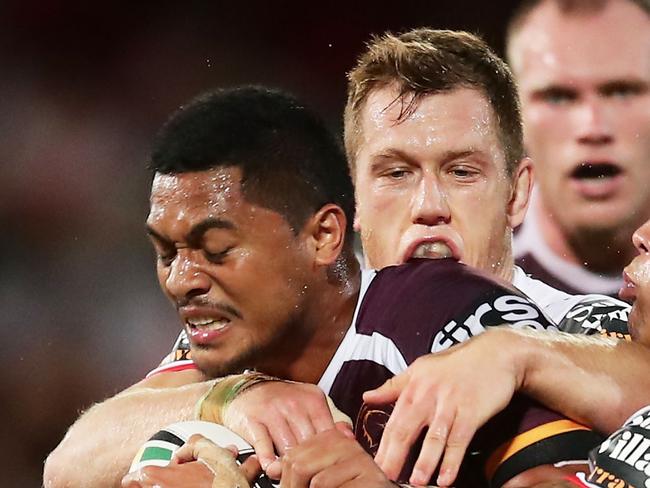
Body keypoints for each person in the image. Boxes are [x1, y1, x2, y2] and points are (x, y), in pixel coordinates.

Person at [45, 85, 606, 488]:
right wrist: (234, 401)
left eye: (216, 251)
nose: (183, 280)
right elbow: (67, 467)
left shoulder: (441, 313)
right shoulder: (232, 357)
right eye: (166, 254)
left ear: (323, 236)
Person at [122, 218, 650, 488]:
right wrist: (231, 400)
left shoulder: (514, 319)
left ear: (516, 195)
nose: (642, 235)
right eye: (392, 173)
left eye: (463, 171)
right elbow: (72, 460)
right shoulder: (588, 319)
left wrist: (515, 352)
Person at [506, 0, 650, 296]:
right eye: (558, 97)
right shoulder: (468, 269)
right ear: (512, 117)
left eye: (622, 91)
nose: (592, 128)